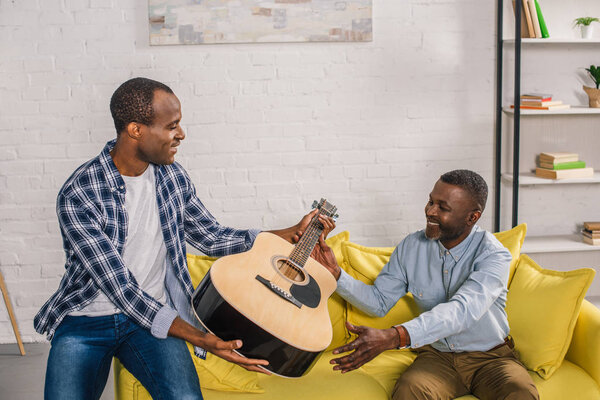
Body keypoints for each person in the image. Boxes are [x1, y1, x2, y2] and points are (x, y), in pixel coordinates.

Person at [34, 77, 335, 400]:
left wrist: (285, 234)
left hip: (149, 324)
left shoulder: (171, 177)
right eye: (171, 126)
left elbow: (211, 236)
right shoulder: (80, 193)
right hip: (86, 321)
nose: (181, 134)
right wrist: (200, 338)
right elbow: (122, 289)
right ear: (136, 130)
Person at [311, 170, 539, 400]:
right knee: (408, 393)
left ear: (473, 217)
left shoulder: (493, 255)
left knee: (521, 394)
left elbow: (463, 311)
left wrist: (394, 336)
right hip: (438, 357)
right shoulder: (412, 246)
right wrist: (336, 274)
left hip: (491, 358)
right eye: (431, 201)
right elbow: (379, 302)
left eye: (443, 207)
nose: (430, 211)